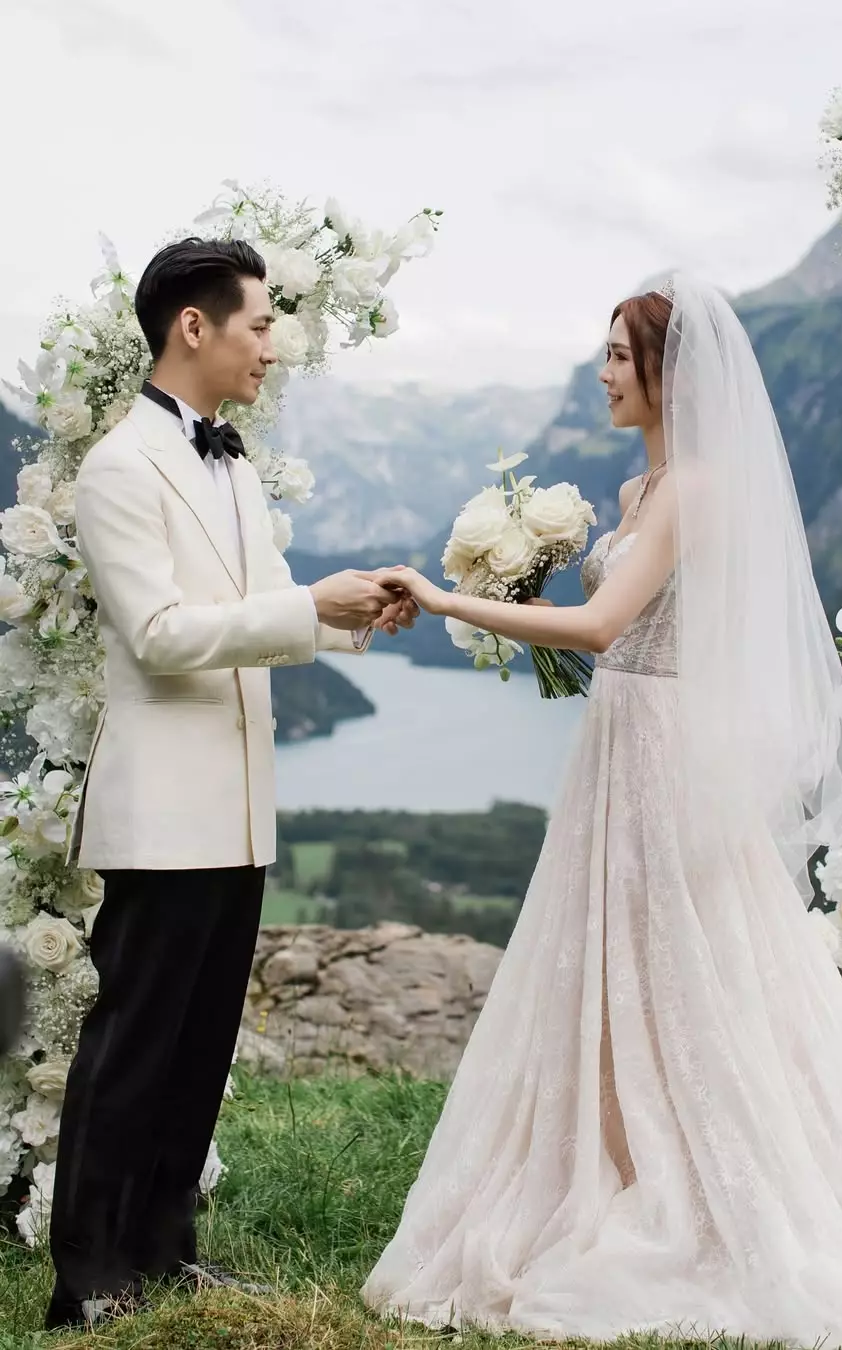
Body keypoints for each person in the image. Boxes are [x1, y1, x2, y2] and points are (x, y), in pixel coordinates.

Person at [361, 276, 842, 1348]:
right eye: (607, 353)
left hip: (664, 743)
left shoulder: (691, 488)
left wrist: (446, 597)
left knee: (681, 953)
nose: (603, 373)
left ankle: (691, 1167)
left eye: (619, 355)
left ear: (669, 374)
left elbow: (603, 627)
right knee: (618, 950)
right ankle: (618, 1158)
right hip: (622, 736)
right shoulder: (639, 491)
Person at [46, 237, 415, 1332]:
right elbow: (161, 636)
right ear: (194, 326)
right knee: (133, 1044)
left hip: (239, 807)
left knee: (200, 1047)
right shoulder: (119, 467)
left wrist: (347, 611)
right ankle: (87, 1280)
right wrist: (306, 608)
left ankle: (165, 1255)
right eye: (259, 326)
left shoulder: (237, 466)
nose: (272, 349)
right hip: (163, 810)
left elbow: (263, 606)